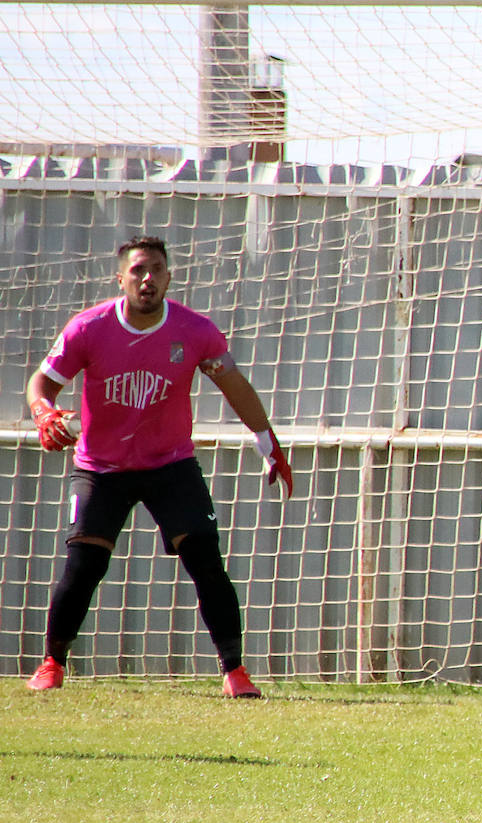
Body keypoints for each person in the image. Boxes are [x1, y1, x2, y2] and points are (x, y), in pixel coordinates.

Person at [25, 235, 293, 698]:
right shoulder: (88, 328)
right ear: (121, 278)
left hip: (170, 464)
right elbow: (42, 384)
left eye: (156, 270)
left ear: (169, 277)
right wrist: (44, 413)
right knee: (84, 563)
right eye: (138, 270)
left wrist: (268, 441)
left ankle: (235, 672)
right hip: (102, 467)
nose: (147, 279)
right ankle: (52, 662)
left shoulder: (195, 331)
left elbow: (235, 386)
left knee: (206, 559)